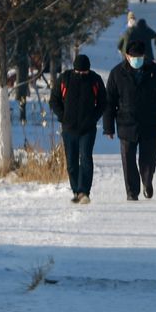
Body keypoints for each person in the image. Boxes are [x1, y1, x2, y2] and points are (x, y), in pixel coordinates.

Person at [104, 38, 156, 200]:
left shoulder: (155, 72)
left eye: (140, 57)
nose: (137, 59)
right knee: (128, 160)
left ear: (144, 56)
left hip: (150, 123)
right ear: (127, 56)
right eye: (134, 56)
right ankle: (132, 193)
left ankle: (147, 181)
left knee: (149, 158)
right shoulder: (117, 74)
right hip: (126, 124)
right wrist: (108, 127)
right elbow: (109, 102)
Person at [50, 54, 106, 204]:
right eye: (79, 72)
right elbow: (54, 100)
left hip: (88, 129)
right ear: (74, 70)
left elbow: (102, 102)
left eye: (85, 72)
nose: (82, 75)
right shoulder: (64, 79)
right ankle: (76, 191)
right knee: (71, 163)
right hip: (68, 129)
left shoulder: (95, 80)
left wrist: (93, 118)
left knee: (86, 158)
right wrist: (63, 116)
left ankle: (84, 191)